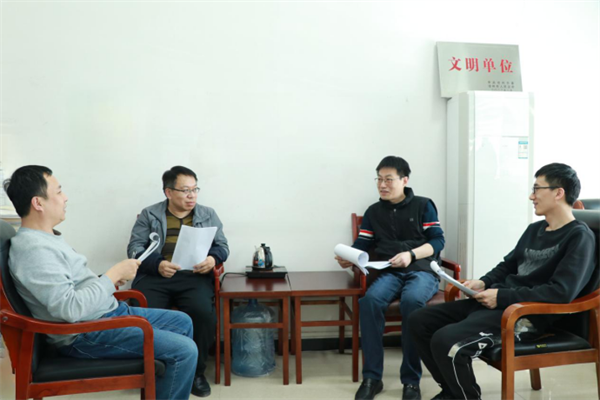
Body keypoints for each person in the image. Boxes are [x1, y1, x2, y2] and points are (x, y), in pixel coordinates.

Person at [3, 165, 197, 400]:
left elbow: (72, 286)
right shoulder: (33, 250)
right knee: (184, 351)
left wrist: (108, 280)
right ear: (38, 203)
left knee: (182, 321)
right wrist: (111, 276)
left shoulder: (46, 239)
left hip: (104, 315)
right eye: (59, 191)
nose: (65, 198)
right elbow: (69, 309)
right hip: (84, 334)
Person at [409, 163, 596, 400]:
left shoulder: (579, 237)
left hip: (525, 316)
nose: (531, 196)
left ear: (559, 192)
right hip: (500, 304)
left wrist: (501, 297)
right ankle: (452, 392)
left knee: (446, 340)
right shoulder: (534, 229)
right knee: (419, 320)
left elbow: (561, 292)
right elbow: (508, 265)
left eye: (537, 189)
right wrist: (483, 282)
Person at [336, 156, 445, 400]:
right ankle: (372, 378)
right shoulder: (374, 212)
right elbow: (363, 243)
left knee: (412, 302)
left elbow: (438, 241)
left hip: (422, 270)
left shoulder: (423, 205)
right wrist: (350, 257)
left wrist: (411, 255)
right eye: (379, 179)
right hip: (390, 271)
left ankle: (411, 381)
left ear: (404, 180)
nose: (382, 185)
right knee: (369, 302)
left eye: (388, 179)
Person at [127, 165, 229, 398]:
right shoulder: (150, 214)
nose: (191, 196)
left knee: (202, 313)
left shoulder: (208, 214)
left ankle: (196, 372)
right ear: (168, 192)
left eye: (195, 189)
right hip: (156, 276)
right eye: (185, 190)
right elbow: (134, 248)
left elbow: (222, 246)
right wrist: (158, 264)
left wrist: (213, 259)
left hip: (193, 277)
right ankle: (154, 369)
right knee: (145, 314)